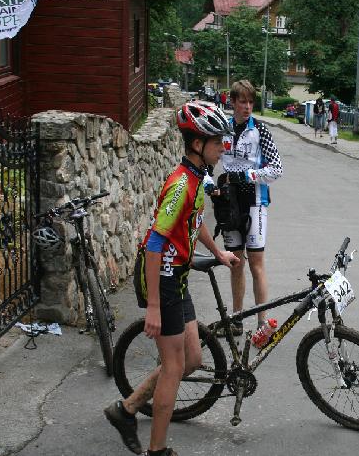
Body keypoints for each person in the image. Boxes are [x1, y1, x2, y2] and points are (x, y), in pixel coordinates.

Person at [104, 101, 239, 456]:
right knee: (175, 368)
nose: (222, 148)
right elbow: (153, 243)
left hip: (176, 278)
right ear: (197, 145)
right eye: (216, 142)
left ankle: (126, 408)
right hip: (161, 281)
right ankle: (157, 450)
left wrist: (218, 251)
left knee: (192, 359)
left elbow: (194, 222)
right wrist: (152, 307)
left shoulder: (197, 179)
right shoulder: (181, 184)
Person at [219, 79, 283, 337]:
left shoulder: (261, 130)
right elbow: (208, 161)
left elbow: (277, 168)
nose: (247, 107)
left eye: (250, 102)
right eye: (242, 101)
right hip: (228, 201)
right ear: (232, 101)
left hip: (255, 202)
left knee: (256, 262)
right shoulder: (221, 128)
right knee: (236, 263)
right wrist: (211, 184)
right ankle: (236, 321)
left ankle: (261, 324)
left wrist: (249, 176)